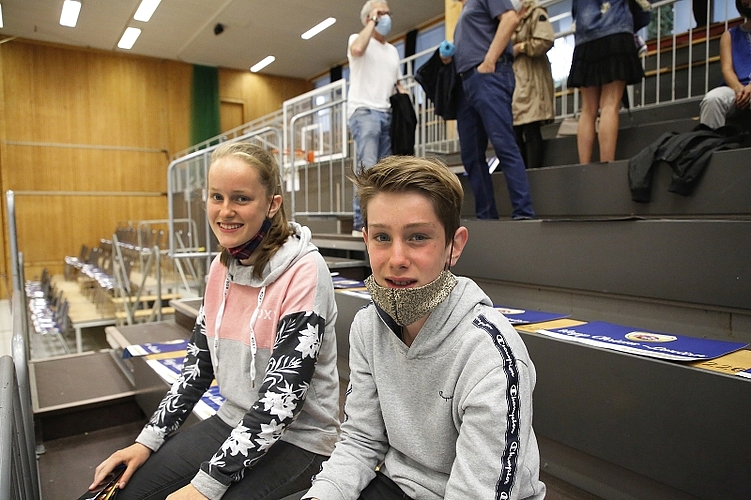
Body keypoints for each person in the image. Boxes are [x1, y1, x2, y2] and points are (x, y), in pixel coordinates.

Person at [89, 143, 341, 500]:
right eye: (216, 196)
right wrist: (146, 443)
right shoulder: (219, 268)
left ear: (272, 204)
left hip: (302, 441)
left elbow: (280, 401)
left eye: (241, 198)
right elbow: (197, 367)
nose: (225, 211)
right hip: (231, 421)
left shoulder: (304, 271)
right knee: (119, 492)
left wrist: (205, 487)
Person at [303, 156, 546, 500]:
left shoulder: (492, 354)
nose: (397, 258)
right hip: (397, 483)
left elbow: (477, 492)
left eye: (418, 237)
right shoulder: (367, 326)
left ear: (454, 245)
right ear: (366, 240)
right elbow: (360, 441)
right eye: (382, 237)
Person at [453, 0, 536, 220]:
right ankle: (486, 215)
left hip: (488, 75)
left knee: (504, 145)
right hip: (468, 80)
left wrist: (489, 61)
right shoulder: (467, 7)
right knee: (471, 155)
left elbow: (510, 18)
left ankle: (523, 213)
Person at [347, 0, 402, 235]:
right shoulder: (356, 39)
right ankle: (362, 223)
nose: (386, 16)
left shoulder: (392, 50)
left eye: (387, 12)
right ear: (368, 17)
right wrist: (372, 21)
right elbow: (357, 50)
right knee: (368, 168)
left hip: (386, 112)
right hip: (364, 112)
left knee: (385, 171)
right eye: (380, 13)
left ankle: (383, 220)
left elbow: (397, 85)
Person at [567, 0, 645, 164]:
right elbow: (643, 6)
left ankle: (584, 167)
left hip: (585, 40)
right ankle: (607, 165)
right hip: (616, 31)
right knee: (610, 103)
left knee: (588, 109)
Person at [512, 0, 555, 169]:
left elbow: (545, 40)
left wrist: (521, 47)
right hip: (513, 80)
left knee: (531, 128)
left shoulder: (537, 13)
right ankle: (521, 174)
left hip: (532, 78)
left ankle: (533, 172)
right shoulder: (507, 18)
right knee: (514, 132)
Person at [699, 0, 751, 130]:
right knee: (713, 99)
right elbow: (727, 69)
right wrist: (739, 90)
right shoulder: (729, 35)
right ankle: (708, 145)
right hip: (737, 89)